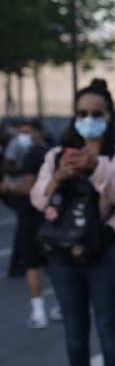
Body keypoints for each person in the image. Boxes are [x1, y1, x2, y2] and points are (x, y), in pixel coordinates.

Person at [30, 79, 115, 366]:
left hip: (108, 252)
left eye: (96, 113)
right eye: (82, 113)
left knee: (109, 328)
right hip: (64, 254)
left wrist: (97, 167)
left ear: (109, 116)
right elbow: (39, 199)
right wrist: (58, 177)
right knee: (74, 331)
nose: (89, 119)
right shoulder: (55, 155)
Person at [0, 119, 52, 327]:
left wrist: (8, 188)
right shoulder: (51, 153)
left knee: (32, 264)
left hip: (33, 215)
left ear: (38, 133)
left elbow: (28, 187)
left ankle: (38, 312)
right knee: (52, 263)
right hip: (51, 215)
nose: (24, 137)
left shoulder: (34, 155)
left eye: (27, 132)